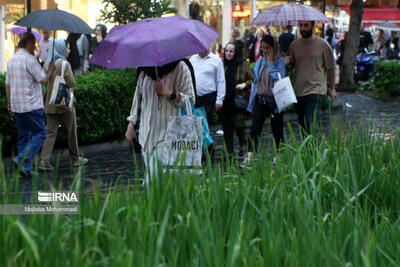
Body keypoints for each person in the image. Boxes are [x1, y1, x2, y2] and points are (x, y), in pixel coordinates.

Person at [125, 59, 195, 191]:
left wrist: (168, 93)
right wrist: (131, 124)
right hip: (146, 136)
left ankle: (151, 210)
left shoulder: (180, 67)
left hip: (168, 135)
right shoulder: (144, 68)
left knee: (149, 184)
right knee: (159, 185)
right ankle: (165, 210)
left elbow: (190, 100)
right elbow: (138, 96)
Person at [5, 32, 55, 176]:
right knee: (41, 134)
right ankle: (21, 159)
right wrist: (51, 67)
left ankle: (25, 169)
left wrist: (9, 104)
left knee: (23, 137)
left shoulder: (12, 60)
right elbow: (43, 79)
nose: (36, 46)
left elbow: (7, 85)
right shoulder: (30, 60)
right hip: (31, 106)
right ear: (27, 43)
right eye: (34, 43)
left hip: (17, 105)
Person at [38, 39, 88, 171]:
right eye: (67, 47)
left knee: (50, 132)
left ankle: (44, 161)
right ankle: (75, 158)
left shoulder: (47, 63)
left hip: (50, 102)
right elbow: (71, 83)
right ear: (61, 48)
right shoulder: (65, 64)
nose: (69, 50)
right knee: (71, 130)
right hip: (64, 102)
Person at [286, 20, 336, 135]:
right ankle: (307, 152)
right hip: (298, 91)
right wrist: (287, 63)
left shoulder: (323, 44)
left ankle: (313, 151)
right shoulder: (294, 45)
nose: (303, 28)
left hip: (315, 90)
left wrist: (332, 88)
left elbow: (331, 67)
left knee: (310, 124)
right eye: (301, 25)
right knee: (303, 126)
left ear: (313, 26)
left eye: (306, 25)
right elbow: (290, 67)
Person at [245, 35, 286, 165]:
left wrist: (270, 63)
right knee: (255, 128)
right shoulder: (260, 61)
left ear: (274, 47)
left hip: (275, 101)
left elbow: (280, 78)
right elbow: (256, 81)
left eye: (267, 48)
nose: (265, 51)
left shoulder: (279, 61)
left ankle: (279, 155)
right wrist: (252, 100)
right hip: (260, 98)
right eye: (263, 48)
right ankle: (250, 156)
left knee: (277, 129)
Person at [190, 48, 226, 155]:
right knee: (195, 124)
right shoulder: (193, 59)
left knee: (204, 124)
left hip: (208, 97)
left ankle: (209, 150)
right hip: (195, 97)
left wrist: (220, 99)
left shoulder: (216, 60)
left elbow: (221, 80)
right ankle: (200, 151)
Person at [220, 42, 253, 157]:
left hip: (238, 100)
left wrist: (244, 84)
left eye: (231, 51)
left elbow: (252, 80)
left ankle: (243, 143)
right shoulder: (222, 64)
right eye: (227, 51)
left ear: (235, 52)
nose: (228, 53)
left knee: (239, 125)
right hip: (225, 101)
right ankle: (229, 151)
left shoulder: (242, 64)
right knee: (226, 126)